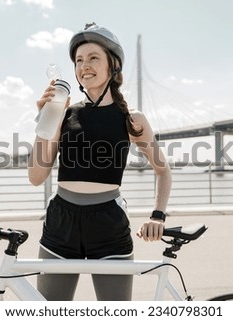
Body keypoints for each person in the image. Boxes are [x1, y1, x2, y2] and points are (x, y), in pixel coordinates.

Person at [28, 22, 172, 301]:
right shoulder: (63, 113)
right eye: (79, 60)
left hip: (109, 225)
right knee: (47, 312)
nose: (84, 66)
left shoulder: (132, 119)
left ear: (113, 66)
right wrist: (44, 120)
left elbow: (162, 170)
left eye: (93, 57)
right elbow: (36, 177)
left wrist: (158, 215)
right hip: (61, 223)